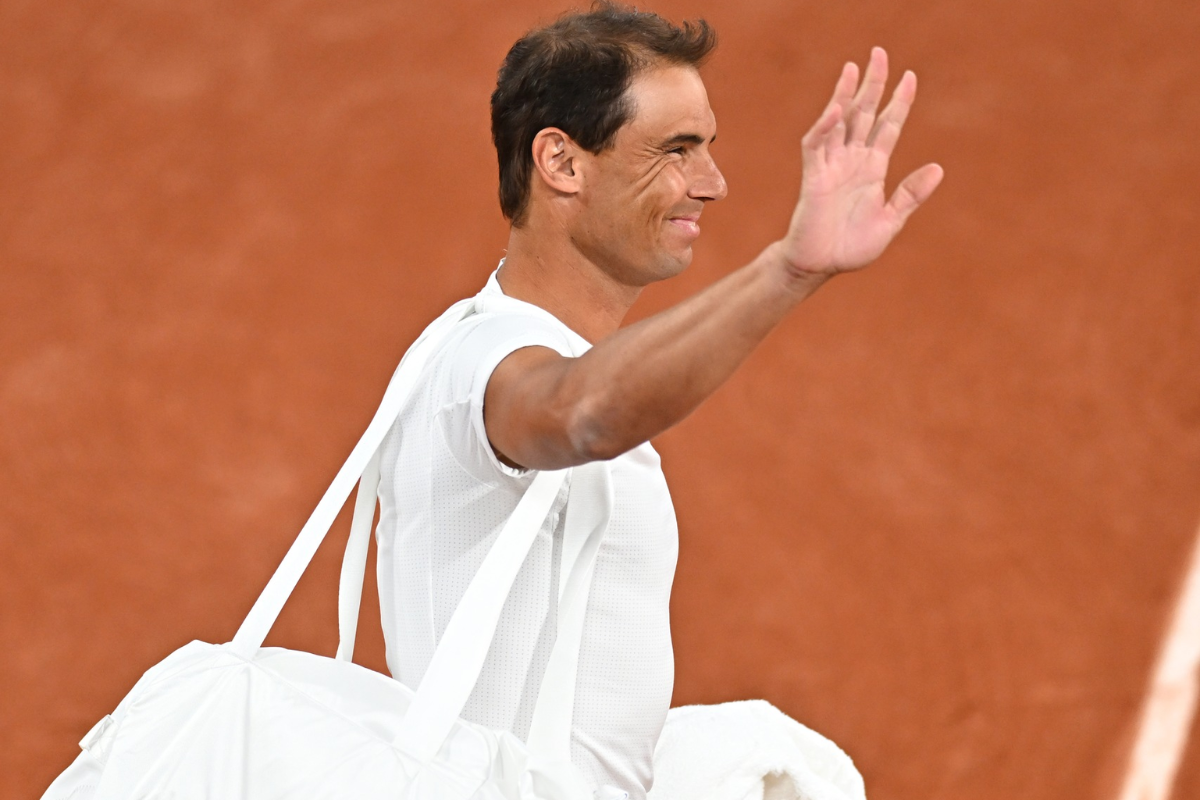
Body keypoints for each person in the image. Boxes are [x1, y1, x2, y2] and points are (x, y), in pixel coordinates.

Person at [374, 4, 942, 800]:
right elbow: (578, 413)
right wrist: (785, 271)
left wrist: (797, 270)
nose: (712, 184)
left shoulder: (512, 343)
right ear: (562, 163)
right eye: (677, 150)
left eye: (707, 147)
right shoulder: (480, 361)